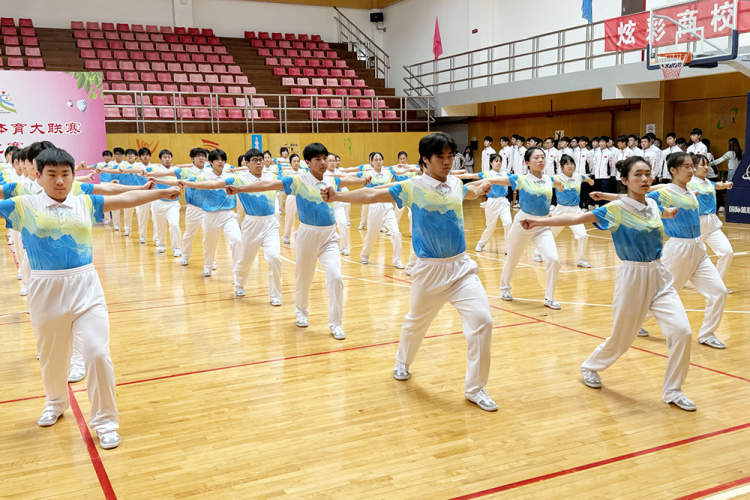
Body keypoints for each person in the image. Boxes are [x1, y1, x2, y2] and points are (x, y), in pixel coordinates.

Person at [0, 146, 181, 449]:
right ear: (38, 175)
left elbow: (123, 198)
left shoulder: (84, 202)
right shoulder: (21, 205)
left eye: (65, 174)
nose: (59, 181)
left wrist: (160, 193)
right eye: (52, 175)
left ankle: (106, 421)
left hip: (86, 287)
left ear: (73, 176)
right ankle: (56, 402)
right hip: (45, 290)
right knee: (51, 356)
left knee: (97, 353)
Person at [320, 132, 499, 412]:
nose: (448, 162)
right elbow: (371, 193)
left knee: (483, 321)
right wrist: (338, 195)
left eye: (450, 156)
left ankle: (475, 388)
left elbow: (470, 191)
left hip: (462, 267)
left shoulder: (455, 183)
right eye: (441, 157)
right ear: (425, 160)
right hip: (429, 270)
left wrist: (482, 185)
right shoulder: (412, 186)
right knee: (416, 323)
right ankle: (402, 361)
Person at [521, 156, 696, 411]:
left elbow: (661, 212)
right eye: (638, 175)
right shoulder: (616, 210)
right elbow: (574, 220)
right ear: (624, 180)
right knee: (622, 338)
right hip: (632, 277)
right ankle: (591, 366)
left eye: (647, 174)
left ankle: (673, 390)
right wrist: (540, 221)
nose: (645, 179)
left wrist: (669, 212)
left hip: (660, 275)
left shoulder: (653, 204)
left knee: (683, 332)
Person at [226, 142, 369, 340]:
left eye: (324, 158)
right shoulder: (298, 181)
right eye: (317, 159)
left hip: (329, 236)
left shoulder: (331, 179)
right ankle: (301, 312)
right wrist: (240, 188)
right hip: (307, 236)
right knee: (304, 278)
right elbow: (267, 184)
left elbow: (347, 180)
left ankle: (336, 324)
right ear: (308, 162)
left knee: (336, 278)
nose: (323, 163)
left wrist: (363, 179)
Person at [597, 153, 729, 349]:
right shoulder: (664, 191)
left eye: (692, 166)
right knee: (665, 292)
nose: (691, 170)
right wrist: (604, 196)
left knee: (718, 291)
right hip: (679, 249)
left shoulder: (691, 190)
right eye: (686, 166)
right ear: (673, 170)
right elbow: (632, 199)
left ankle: (707, 334)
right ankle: (638, 322)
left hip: (698, 248)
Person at [497, 147, 562, 309]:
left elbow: (560, 183)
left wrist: (562, 186)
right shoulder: (521, 179)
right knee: (513, 258)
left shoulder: (549, 179)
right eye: (536, 158)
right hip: (523, 224)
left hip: (543, 225)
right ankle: (504, 287)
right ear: (527, 162)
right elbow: (498, 180)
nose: (540, 160)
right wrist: (483, 182)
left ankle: (549, 298)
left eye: (542, 157)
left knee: (554, 260)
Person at [532, 154, 595, 268]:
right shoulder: (557, 178)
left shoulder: (578, 176)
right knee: (550, 234)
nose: (570, 166)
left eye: (572, 163)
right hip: (560, 211)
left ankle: (581, 260)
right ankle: (538, 252)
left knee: (583, 235)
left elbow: (589, 180)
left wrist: (590, 181)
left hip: (575, 212)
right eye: (567, 164)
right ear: (561, 167)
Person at [688, 155, 734, 283]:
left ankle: (716, 284)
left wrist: (726, 185)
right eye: (703, 165)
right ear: (694, 167)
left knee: (727, 252)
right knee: (687, 259)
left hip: (712, 225)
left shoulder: (708, 182)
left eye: (708, 164)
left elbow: (716, 185)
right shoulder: (689, 183)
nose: (707, 167)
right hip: (695, 226)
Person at [358, 151, 407, 269]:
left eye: (380, 159)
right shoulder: (367, 174)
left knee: (396, 233)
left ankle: (397, 260)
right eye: (376, 160)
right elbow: (369, 189)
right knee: (371, 234)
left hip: (388, 206)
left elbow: (403, 172)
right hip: (375, 206)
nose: (379, 161)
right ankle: (365, 255)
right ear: (371, 162)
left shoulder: (388, 171)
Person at [456, 153, 511, 254]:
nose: (498, 163)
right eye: (496, 161)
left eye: (500, 161)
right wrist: (453, 175)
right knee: (491, 227)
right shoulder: (487, 174)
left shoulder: (506, 174)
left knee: (508, 223)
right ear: (491, 162)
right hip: (491, 202)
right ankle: (481, 243)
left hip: (503, 201)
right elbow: (470, 175)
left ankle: (508, 248)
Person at [145, 149, 182, 256]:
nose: (167, 159)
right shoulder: (155, 169)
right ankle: (161, 245)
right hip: (158, 202)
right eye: (164, 157)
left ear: (171, 158)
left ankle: (177, 248)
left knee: (174, 224)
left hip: (173, 203)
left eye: (168, 157)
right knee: (159, 225)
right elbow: (139, 169)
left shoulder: (176, 170)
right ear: (160, 159)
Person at [282, 153, 305, 244]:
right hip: (292, 196)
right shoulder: (287, 173)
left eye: (298, 161)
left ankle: (299, 234)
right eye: (294, 161)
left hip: (302, 196)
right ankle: (286, 236)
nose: (296, 163)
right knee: (289, 217)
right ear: (290, 163)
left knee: (304, 217)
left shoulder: (303, 172)